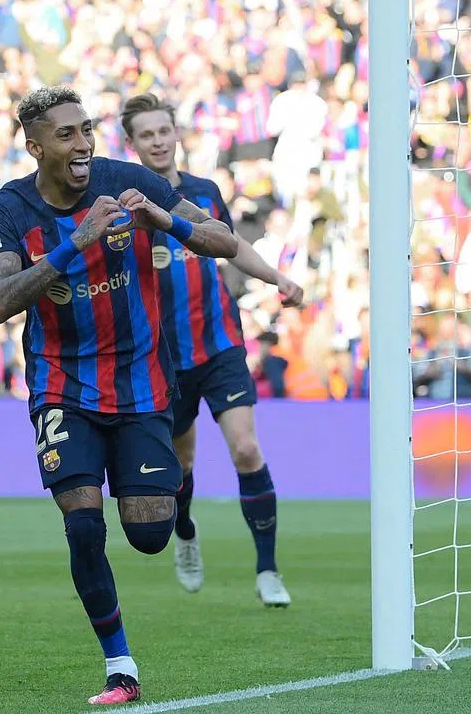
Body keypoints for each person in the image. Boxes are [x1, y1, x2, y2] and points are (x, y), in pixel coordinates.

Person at [0, 86, 237, 706]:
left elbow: (223, 241)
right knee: (83, 525)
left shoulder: (125, 179)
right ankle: (121, 666)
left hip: (143, 383)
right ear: (35, 147)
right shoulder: (10, 209)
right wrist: (78, 242)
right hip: (62, 387)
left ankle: (174, 505)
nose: (83, 143)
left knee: (149, 533)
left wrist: (164, 219)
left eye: (86, 129)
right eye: (67, 135)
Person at [121, 92, 302, 606]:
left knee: (245, 448)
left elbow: (232, 246)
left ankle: (267, 570)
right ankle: (185, 533)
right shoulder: (125, 203)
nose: (157, 141)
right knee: (181, 465)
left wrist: (276, 278)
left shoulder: (204, 192)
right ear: (132, 145)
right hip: (163, 358)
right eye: (146, 134)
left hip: (219, 342)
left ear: (175, 135)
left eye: (163, 131)